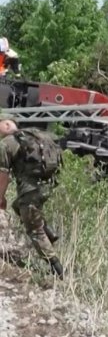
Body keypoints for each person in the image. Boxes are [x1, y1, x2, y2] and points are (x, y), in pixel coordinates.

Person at [0, 116, 64, 278]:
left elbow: (3, 176)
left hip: (31, 189)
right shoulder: (34, 135)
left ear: (6, 124)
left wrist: (1, 197)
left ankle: (57, 269)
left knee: (34, 229)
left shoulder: (6, 144)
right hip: (47, 185)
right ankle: (48, 232)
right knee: (18, 206)